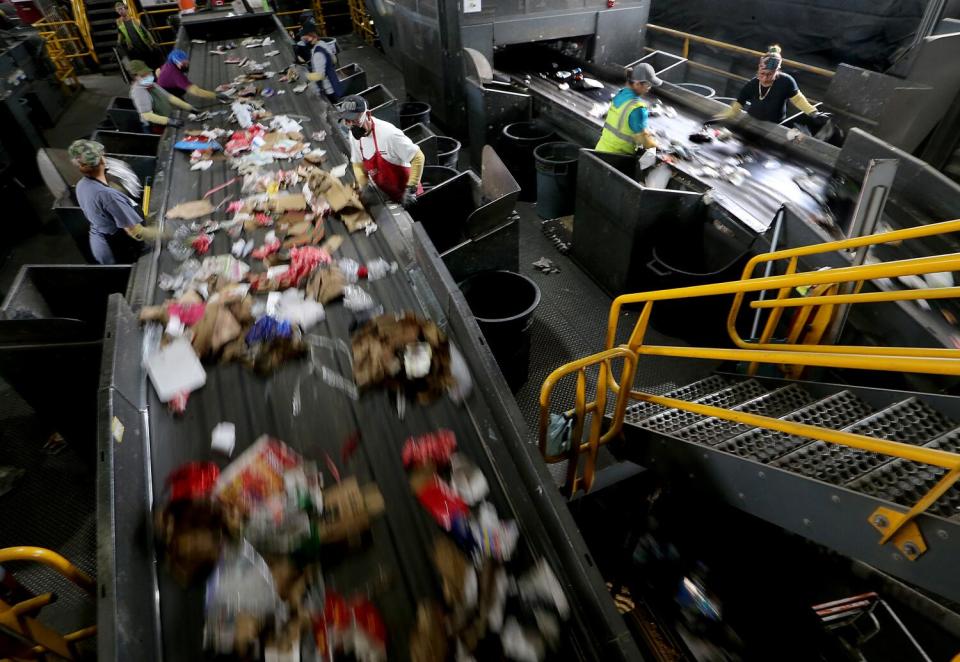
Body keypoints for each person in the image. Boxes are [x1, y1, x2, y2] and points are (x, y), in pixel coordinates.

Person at [68, 140, 160, 265]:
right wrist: (166, 234)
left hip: (100, 241)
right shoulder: (107, 195)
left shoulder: (81, 185)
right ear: (101, 161)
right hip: (116, 247)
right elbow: (137, 232)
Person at [338, 95, 424, 206]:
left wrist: (411, 189)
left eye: (354, 119)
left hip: (410, 196)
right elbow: (357, 163)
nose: (350, 124)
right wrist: (364, 185)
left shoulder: (389, 134)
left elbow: (418, 157)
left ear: (367, 115)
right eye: (347, 120)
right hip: (389, 195)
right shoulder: (353, 136)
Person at [717, 45, 828, 126]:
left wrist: (813, 113)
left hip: (775, 125)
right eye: (762, 74)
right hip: (752, 121)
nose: (765, 78)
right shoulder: (752, 84)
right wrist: (725, 115)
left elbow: (798, 99)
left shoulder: (786, 82)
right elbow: (738, 103)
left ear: (777, 71)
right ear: (758, 69)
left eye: (770, 74)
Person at [595, 63, 662, 155]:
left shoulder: (619, 95)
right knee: (648, 161)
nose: (649, 88)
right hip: (616, 159)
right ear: (637, 84)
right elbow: (644, 140)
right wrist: (656, 145)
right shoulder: (637, 108)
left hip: (600, 151)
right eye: (648, 84)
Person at [128, 59, 195, 133]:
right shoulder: (138, 92)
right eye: (143, 75)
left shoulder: (151, 84)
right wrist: (170, 121)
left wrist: (189, 107)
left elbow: (169, 97)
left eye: (148, 73)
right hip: (154, 126)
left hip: (165, 118)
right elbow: (147, 115)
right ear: (135, 77)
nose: (148, 76)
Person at [158, 49, 228, 102]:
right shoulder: (176, 75)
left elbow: (158, 71)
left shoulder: (168, 64)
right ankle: (178, 100)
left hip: (162, 84)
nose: (187, 65)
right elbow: (195, 91)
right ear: (177, 63)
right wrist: (215, 95)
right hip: (165, 91)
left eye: (187, 62)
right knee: (183, 90)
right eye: (184, 64)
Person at [115, 2, 162, 69]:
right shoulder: (119, 22)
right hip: (133, 48)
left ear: (125, 9)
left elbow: (146, 32)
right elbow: (120, 34)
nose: (120, 11)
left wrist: (152, 41)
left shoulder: (135, 20)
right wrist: (119, 43)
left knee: (151, 63)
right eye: (118, 10)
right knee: (141, 66)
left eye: (121, 9)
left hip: (144, 45)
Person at [301, 27, 343, 103]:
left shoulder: (318, 54)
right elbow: (334, 60)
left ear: (313, 36)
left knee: (334, 106)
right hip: (334, 83)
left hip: (328, 89)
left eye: (306, 39)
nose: (305, 42)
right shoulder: (322, 43)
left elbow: (320, 76)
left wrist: (305, 75)